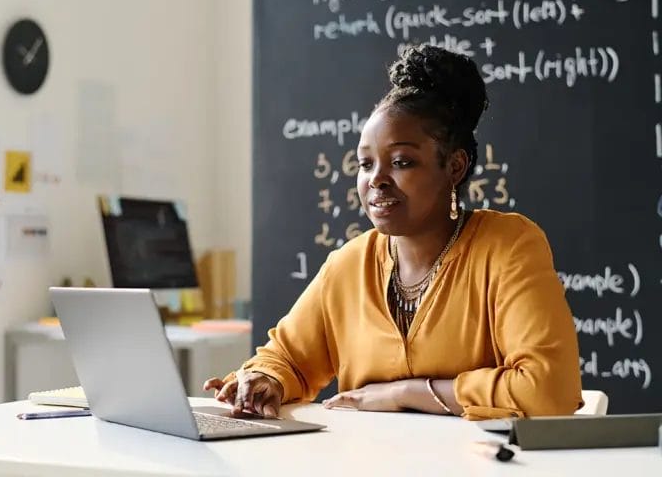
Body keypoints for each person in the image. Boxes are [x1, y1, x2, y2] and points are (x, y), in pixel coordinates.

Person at [204, 44, 582, 420]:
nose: (376, 181)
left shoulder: (508, 247)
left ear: (455, 166)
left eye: (401, 162)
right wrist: (264, 379)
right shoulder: (350, 264)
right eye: (365, 164)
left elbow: (548, 390)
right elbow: (286, 358)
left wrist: (406, 393)